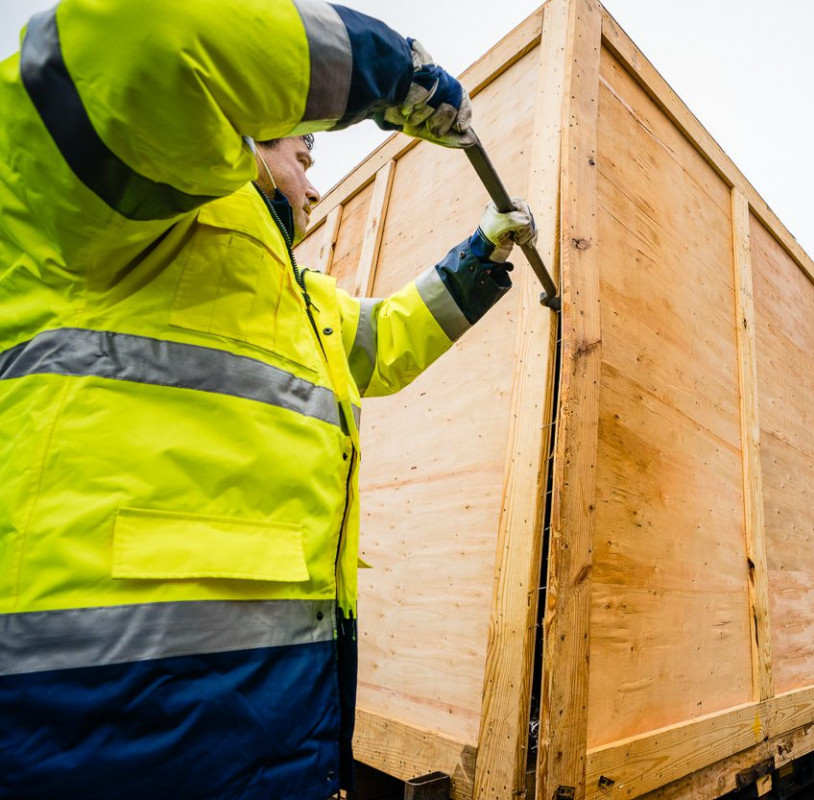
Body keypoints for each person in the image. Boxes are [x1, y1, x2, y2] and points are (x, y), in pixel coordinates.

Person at [0, 2, 536, 797]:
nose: (314, 185)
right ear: (243, 139)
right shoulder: (117, 220)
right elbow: (143, 40)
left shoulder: (299, 298)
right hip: (107, 702)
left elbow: (385, 343)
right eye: (301, 154)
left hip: (268, 702)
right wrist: (393, 71)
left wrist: (482, 253)